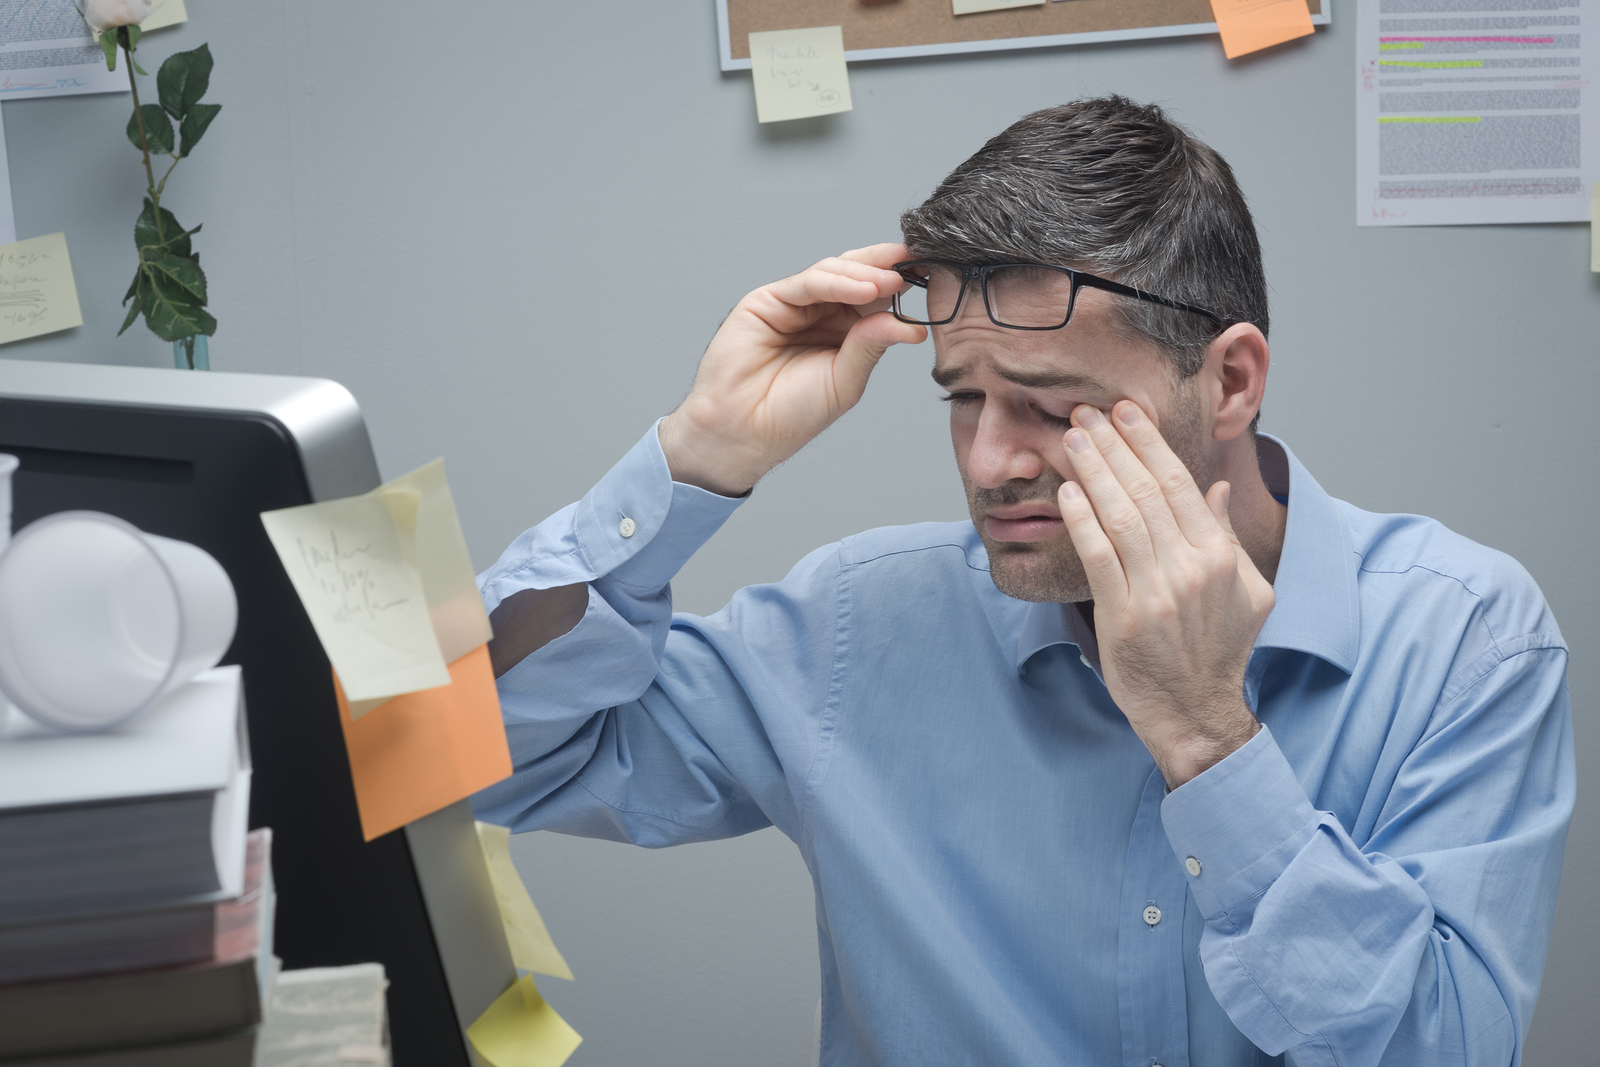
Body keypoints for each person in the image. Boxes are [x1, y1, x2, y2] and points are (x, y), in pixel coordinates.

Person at [473, 97, 1573, 1067]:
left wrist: (1205, 736)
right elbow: (467, 760)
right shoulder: (857, 626)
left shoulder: (1464, 636)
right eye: (962, 397)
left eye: (1053, 405)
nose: (993, 460)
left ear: (1229, 380)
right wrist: (697, 458)